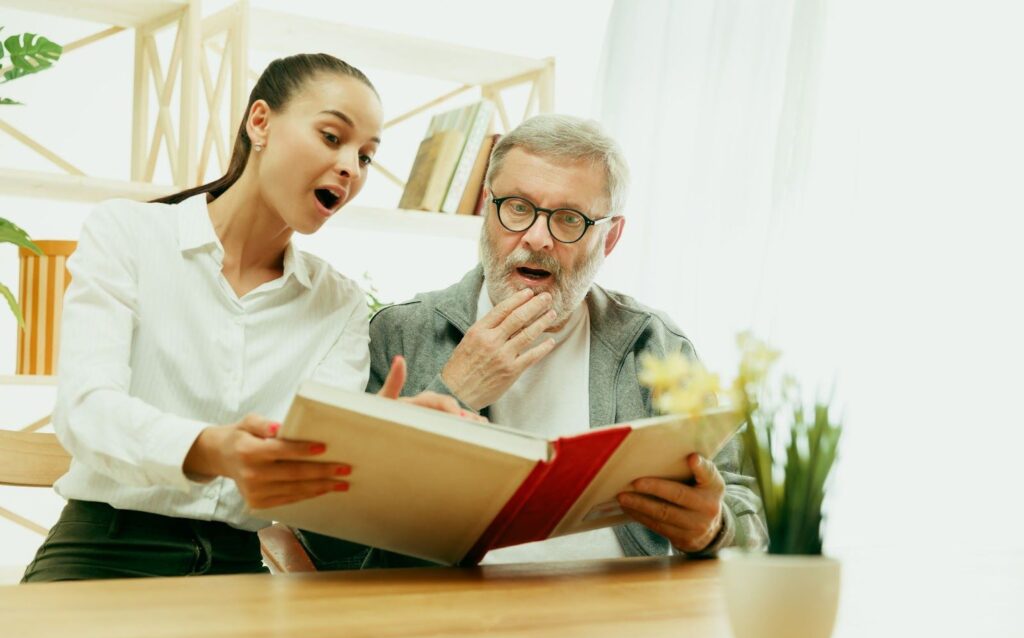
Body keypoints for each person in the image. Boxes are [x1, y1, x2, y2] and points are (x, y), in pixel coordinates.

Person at [21, 53, 465, 583]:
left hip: (236, 567)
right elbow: (86, 412)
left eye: (366, 157)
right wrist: (214, 449)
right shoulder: (127, 235)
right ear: (261, 123)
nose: (351, 167)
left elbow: (309, 463)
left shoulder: (338, 303)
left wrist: (384, 438)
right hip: (102, 554)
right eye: (331, 137)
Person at [298, 114, 768, 570]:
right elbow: (334, 548)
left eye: (568, 219)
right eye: (518, 208)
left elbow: (751, 513)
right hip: (445, 622)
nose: (538, 237)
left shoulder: (655, 344)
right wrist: (454, 391)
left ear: (610, 238)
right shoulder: (399, 334)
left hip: (617, 622)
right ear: (487, 208)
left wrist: (714, 529)